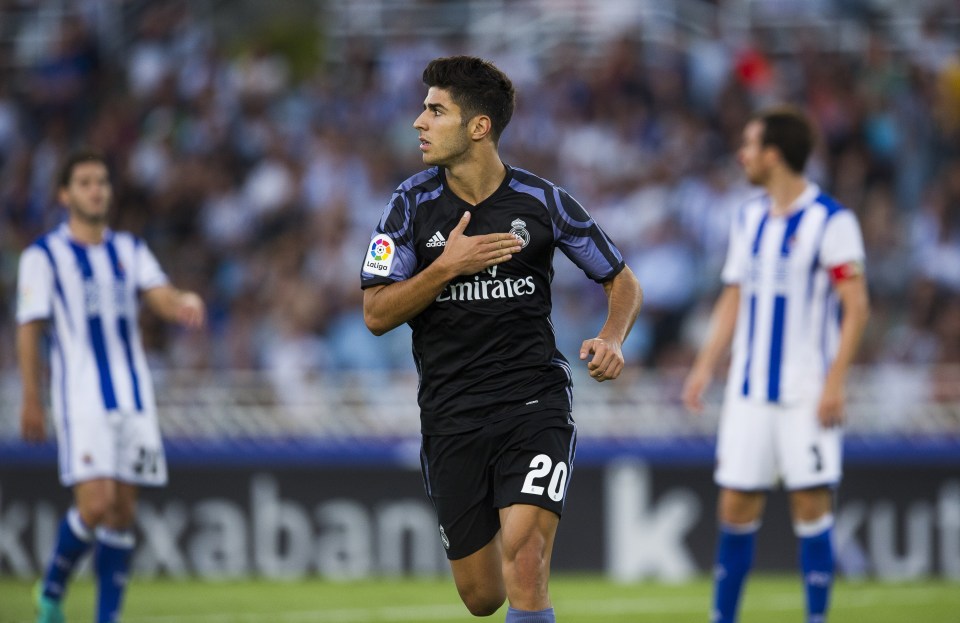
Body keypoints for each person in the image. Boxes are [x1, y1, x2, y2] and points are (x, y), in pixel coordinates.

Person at [361, 56, 642, 622]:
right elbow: (375, 313)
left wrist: (612, 336)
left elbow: (621, 279)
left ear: (478, 126)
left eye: (435, 111)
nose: (419, 122)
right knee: (483, 596)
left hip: (532, 401)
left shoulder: (544, 202)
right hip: (451, 414)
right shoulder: (409, 206)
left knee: (527, 558)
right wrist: (446, 268)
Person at [682, 107, 870, 623]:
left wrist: (835, 383)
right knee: (735, 507)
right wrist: (703, 367)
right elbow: (733, 298)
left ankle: (816, 618)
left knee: (811, 506)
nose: (741, 154)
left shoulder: (831, 220)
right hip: (747, 392)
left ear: (774, 154)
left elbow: (857, 307)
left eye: (750, 144)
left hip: (807, 391)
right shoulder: (749, 217)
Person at [17, 149, 205, 623]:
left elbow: (158, 295)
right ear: (64, 194)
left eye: (101, 181)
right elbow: (29, 327)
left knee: (122, 510)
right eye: (84, 182)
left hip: (133, 395)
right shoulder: (43, 256)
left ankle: (107, 618)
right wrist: (31, 398)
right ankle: (53, 588)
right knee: (96, 503)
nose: (96, 189)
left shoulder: (129, 249)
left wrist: (181, 301)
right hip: (81, 396)